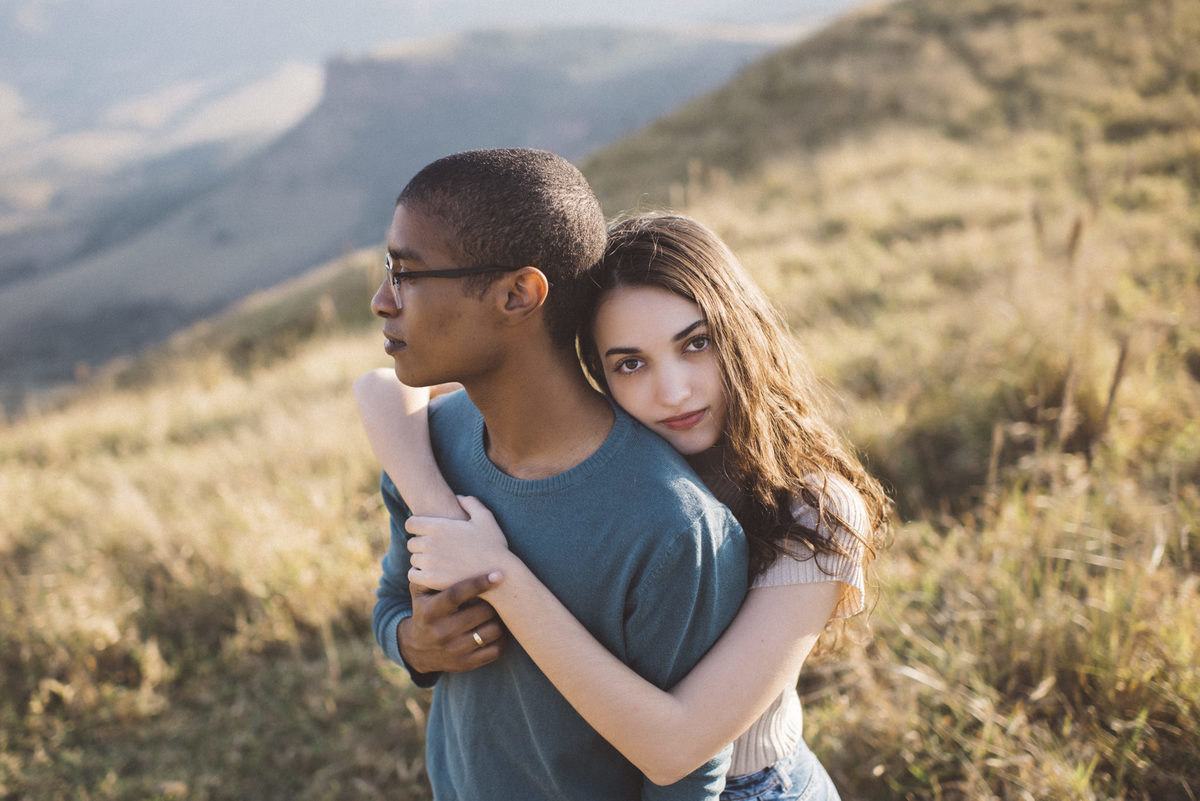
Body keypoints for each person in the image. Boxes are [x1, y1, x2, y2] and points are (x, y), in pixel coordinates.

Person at [355, 213, 891, 800]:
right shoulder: (608, 453)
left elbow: (677, 747)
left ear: (742, 331)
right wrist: (437, 514)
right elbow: (385, 390)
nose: (674, 392)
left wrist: (497, 572)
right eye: (630, 363)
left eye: (697, 343)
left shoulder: (814, 509)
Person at [364, 151, 748, 801]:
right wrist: (417, 643)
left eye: (406, 274)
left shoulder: (673, 528)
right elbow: (392, 604)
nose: (381, 302)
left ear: (519, 294)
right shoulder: (425, 450)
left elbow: (685, 778)